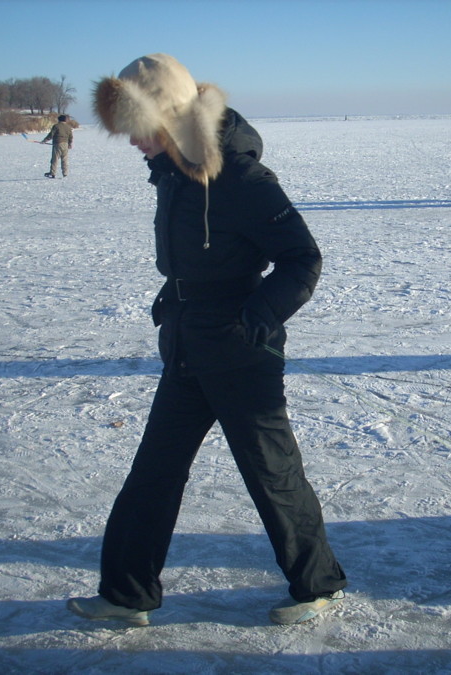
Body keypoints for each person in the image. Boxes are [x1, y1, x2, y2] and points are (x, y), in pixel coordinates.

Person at [66, 53, 347, 627]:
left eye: (138, 127)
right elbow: (198, 258)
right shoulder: (173, 174)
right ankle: (126, 594)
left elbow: (302, 259)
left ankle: (318, 585)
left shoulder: (240, 178)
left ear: (168, 117)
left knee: (272, 474)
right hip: (189, 348)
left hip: (241, 354)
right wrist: (178, 299)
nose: (132, 141)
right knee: (153, 475)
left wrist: (256, 317)